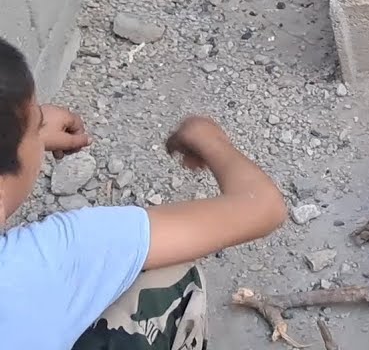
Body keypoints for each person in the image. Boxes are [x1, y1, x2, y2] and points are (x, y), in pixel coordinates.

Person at [0, 37, 288, 349]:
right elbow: (262, 207)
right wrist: (208, 137)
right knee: (170, 272)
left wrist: (30, 131)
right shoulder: (56, 256)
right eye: (35, 127)